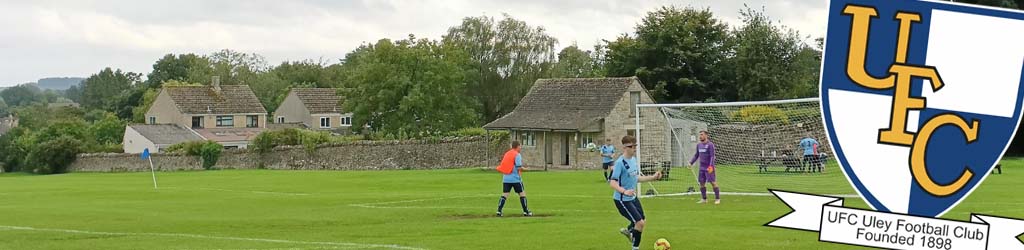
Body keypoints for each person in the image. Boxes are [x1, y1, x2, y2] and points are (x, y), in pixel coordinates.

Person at [609, 135, 662, 250]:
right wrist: (624, 191)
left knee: (643, 220)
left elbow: (636, 178)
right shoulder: (619, 163)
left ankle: (629, 231)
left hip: (632, 198)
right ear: (625, 147)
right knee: (640, 223)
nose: (634, 148)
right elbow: (612, 183)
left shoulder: (633, 160)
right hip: (622, 200)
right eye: (632, 146)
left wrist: (652, 177)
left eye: (635, 146)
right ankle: (635, 248)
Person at [496, 141, 532, 217]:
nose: (520, 148)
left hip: (506, 178)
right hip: (515, 179)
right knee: (522, 194)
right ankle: (526, 211)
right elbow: (518, 167)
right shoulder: (517, 155)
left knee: (505, 194)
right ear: (517, 146)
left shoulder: (507, 154)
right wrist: (526, 169)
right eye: (520, 146)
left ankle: (499, 211)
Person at [689, 130, 719, 204]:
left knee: (713, 182)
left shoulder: (710, 145)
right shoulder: (699, 145)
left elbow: (712, 156)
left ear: (706, 135)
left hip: (709, 168)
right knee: (701, 183)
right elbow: (696, 155)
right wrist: (691, 162)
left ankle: (717, 199)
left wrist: (711, 166)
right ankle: (704, 199)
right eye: (700, 135)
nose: (700, 136)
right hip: (701, 168)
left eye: (702, 134)